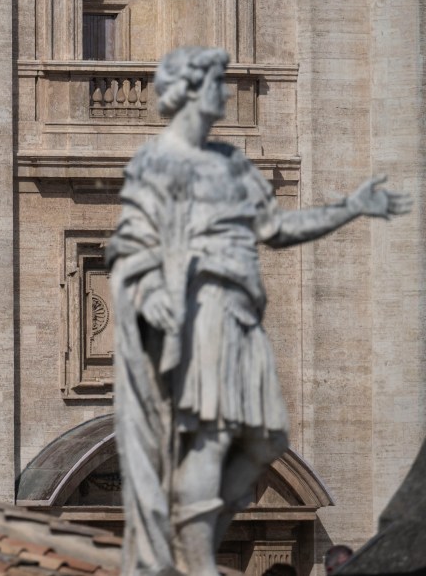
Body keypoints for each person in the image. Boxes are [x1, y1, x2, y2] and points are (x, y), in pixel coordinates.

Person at [107, 46, 411, 576]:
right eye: (216, 82)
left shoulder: (232, 162)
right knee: (211, 435)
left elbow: (275, 228)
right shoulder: (157, 162)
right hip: (202, 309)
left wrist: (350, 208)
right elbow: (129, 242)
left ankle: (193, 534)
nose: (226, 91)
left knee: (266, 439)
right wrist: (150, 291)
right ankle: (195, 558)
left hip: (242, 315)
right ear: (192, 90)